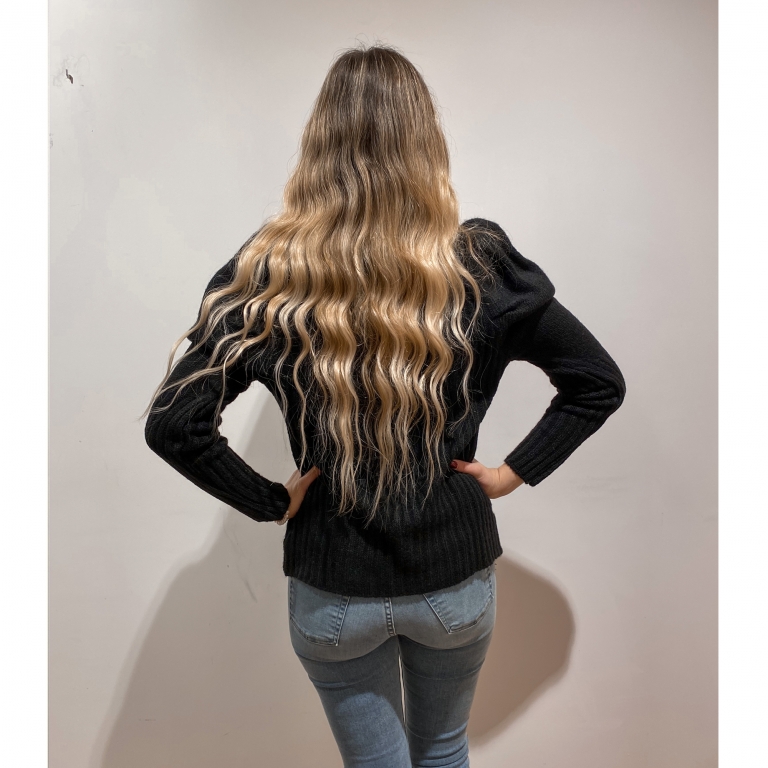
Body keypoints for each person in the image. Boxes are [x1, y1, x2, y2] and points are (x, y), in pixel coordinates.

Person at [143, 44, 625, 768]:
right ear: (426, 144)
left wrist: (271, 500)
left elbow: (173, 423)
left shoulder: (274, 274)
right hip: (453, 587)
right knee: (445, 751)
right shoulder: (479, 268)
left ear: (318, 147)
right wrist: (508, 476)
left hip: (333, 595)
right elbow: (596, 381)